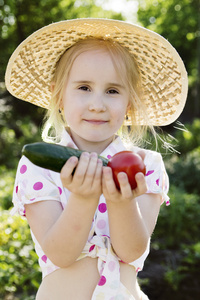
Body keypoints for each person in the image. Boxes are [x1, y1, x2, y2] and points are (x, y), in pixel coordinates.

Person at [5, 18, 188, 300]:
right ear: (59, 95)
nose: (97, 104)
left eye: (112, 91)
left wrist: (121, 200)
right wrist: (83, 198)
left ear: (129, 103)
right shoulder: (39, 164)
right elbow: (61, 254)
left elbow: (131, 251)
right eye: (84, 88)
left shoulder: (144, 164)